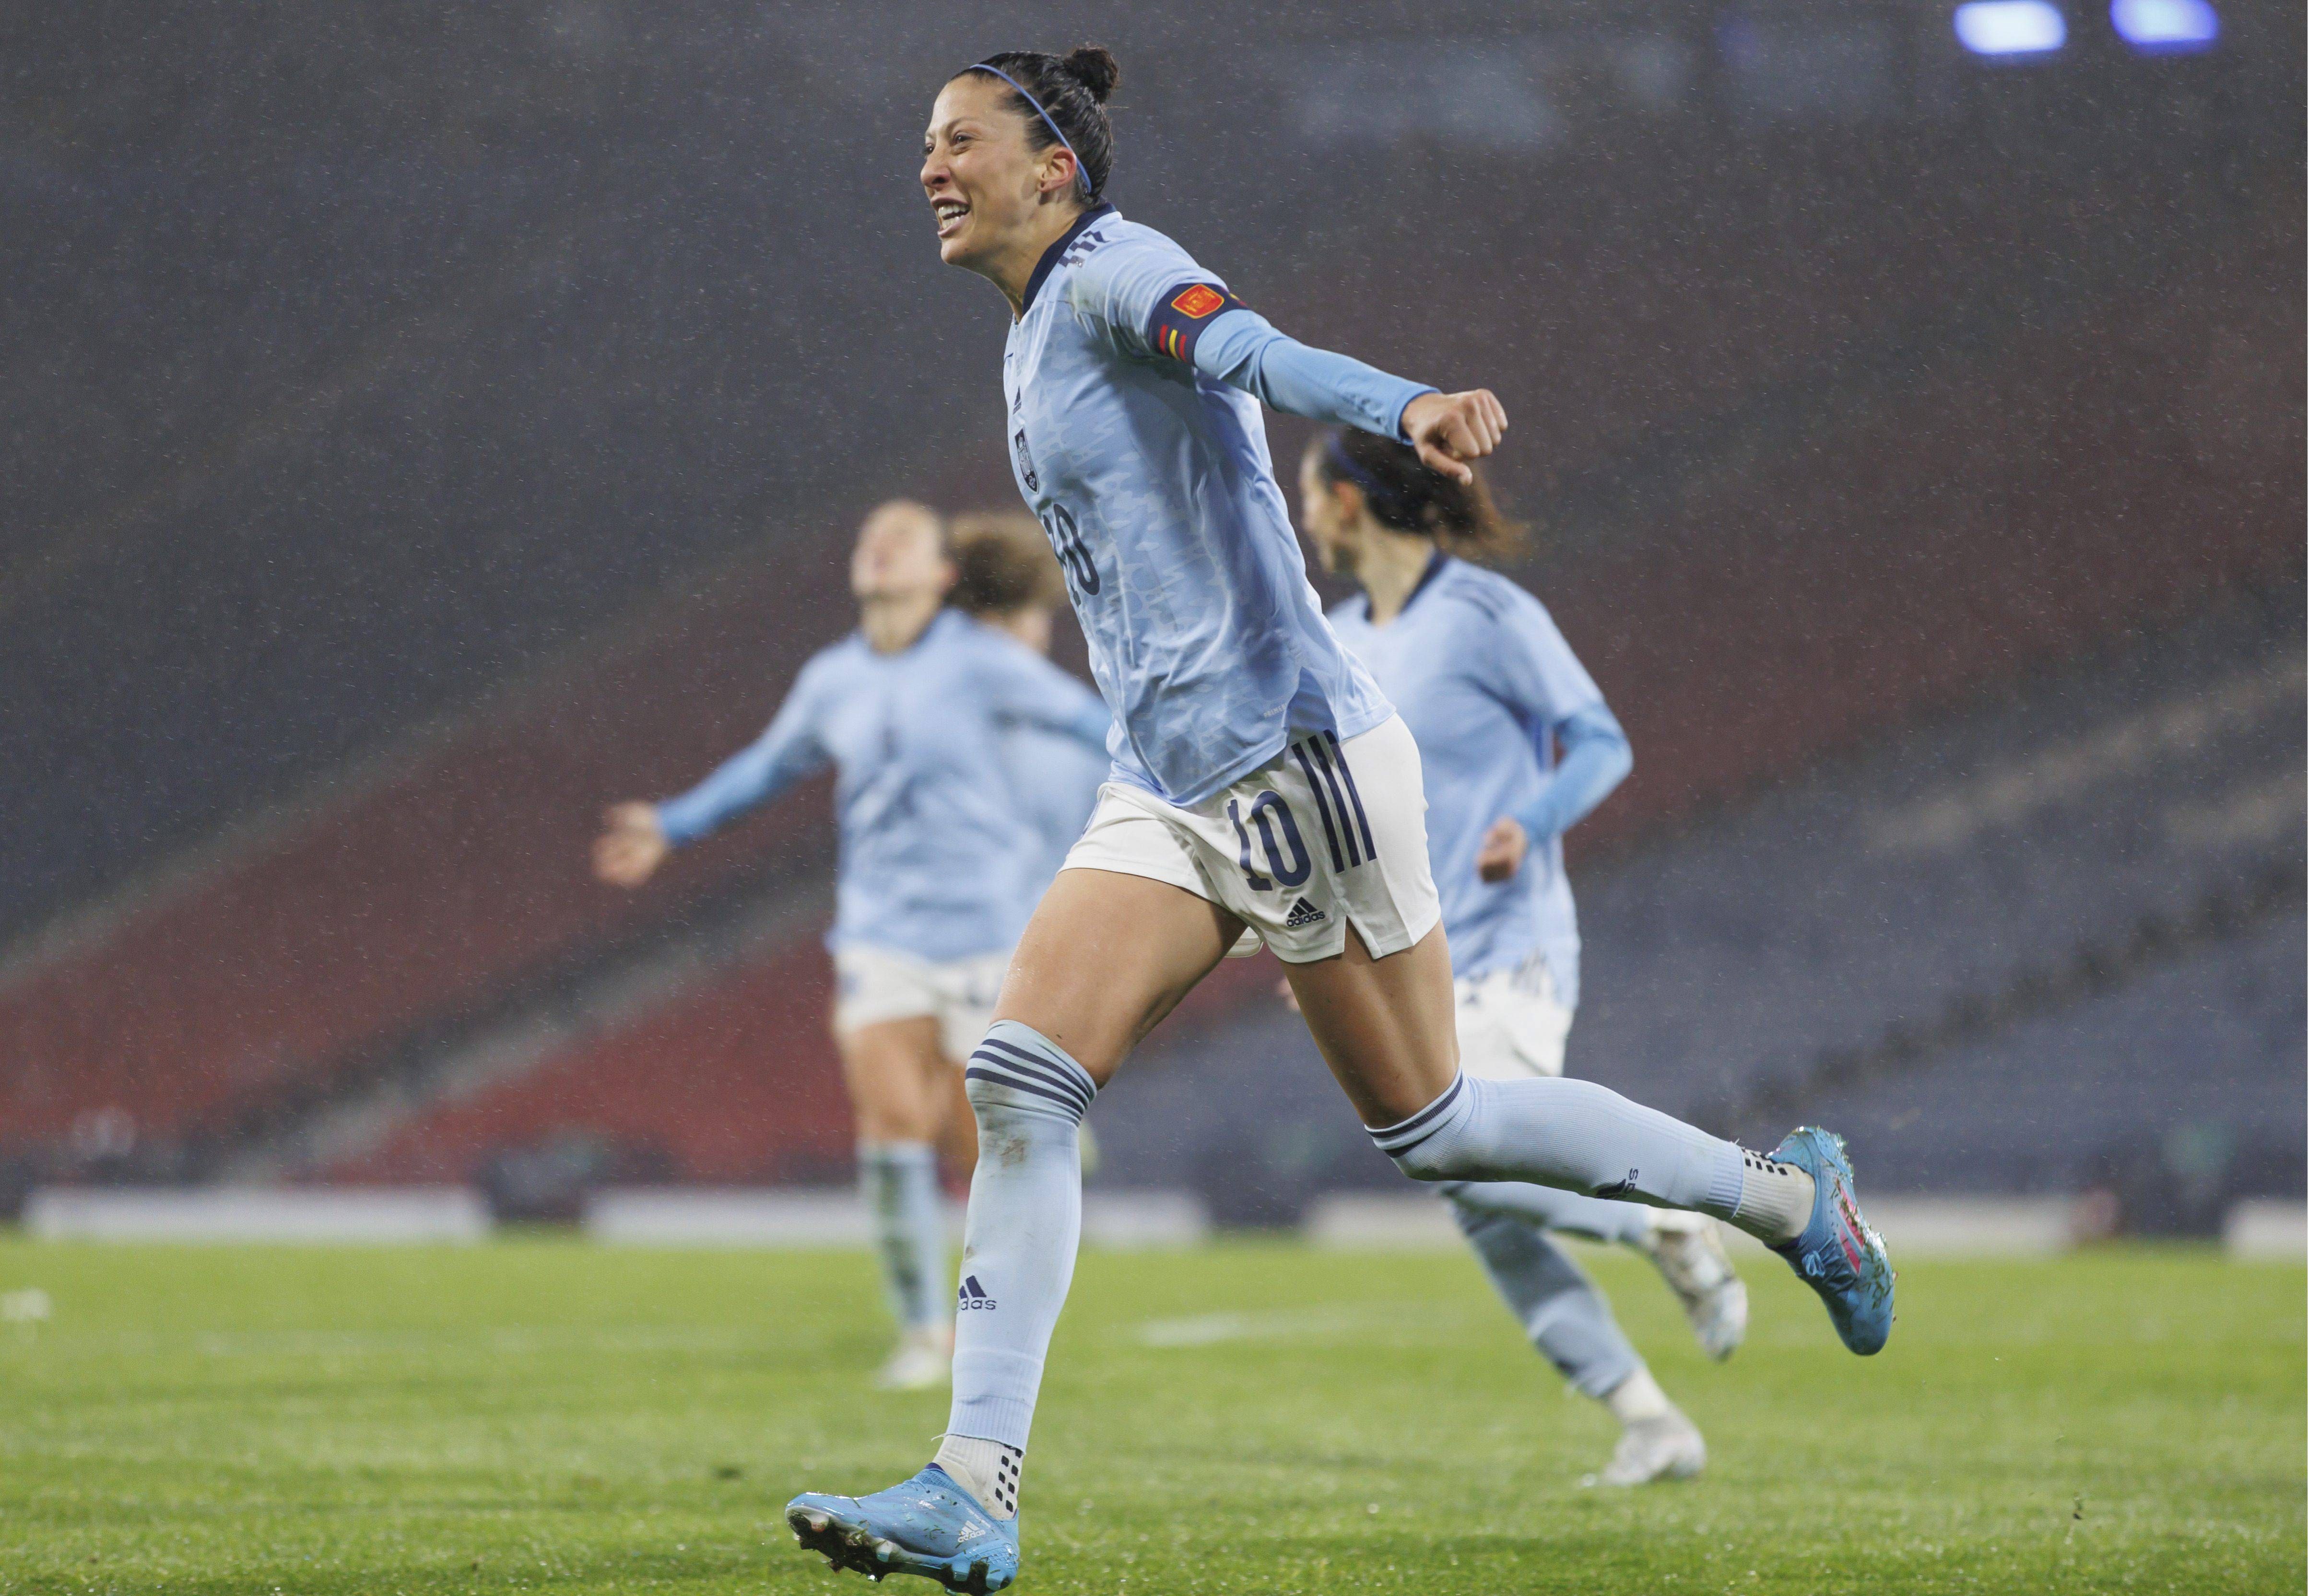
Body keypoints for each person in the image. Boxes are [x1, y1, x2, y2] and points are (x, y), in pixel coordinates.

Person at [787, 46, 1892, 1594]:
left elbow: (1247, 347)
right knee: (1023, 1085)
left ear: (1056, 166)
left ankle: (1784, 1197)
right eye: (925, 141)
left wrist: (1404, 402)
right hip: (1169, 776)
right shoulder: (1035, 331)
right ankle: (976, 1487)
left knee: (1440, 1126)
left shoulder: (1117, 269)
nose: (930, 165)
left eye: (959, 137)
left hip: (1293, 752)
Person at [1307, 427, 1748, 1488]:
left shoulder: (1490, 615)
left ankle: (1665, 1217)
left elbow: (1600, 740)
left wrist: (1530, 819)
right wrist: (1318, 934)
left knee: (1470, 1166)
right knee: (1475, 1198)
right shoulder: (1333, 635)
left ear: (1351, 504)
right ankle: (1649, 1417)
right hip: (1403, 953)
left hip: (1509, 941)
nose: (1306, 517)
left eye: (1310, 495)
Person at [594, 499, 1109, 1391]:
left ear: (942, 575)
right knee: (889, 1125)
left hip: (989, 931)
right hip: (880, 936)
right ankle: (922, 1332)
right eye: (871, 535)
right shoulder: (833, 678)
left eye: (904, 537)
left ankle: (1011, 1307)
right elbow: (769, 765)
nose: (880, 545)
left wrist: (1190, 782)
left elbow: (1092, 723)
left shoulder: (983, 664)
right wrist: (671, 826)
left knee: (972, 1139)